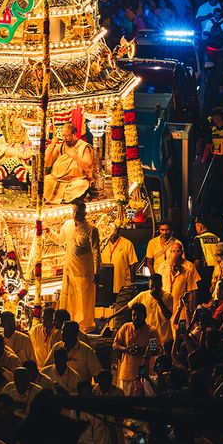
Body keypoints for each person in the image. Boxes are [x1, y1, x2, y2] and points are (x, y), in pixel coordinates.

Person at [58, 201, 100, 331]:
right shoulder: (67, 225)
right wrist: (48, 232)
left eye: (78, 212)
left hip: (84, 273)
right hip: (69, 271)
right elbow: (59, 240)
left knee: (83, 302)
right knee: (69, 299)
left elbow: (96, 252)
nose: (75, 214)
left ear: (85, 213)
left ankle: (83, 328)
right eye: (74, 211)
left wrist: (97, 272)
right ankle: (67, 325)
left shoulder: (91, 230)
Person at [112, 303, 160, 395]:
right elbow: (115, 344)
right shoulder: (126, 327)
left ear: (145, 316)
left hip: (145, 376)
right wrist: (126, 349)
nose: (136, 318)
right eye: (134, 315)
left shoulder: (152, 331)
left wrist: (141, 351)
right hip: (127, 374)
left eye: (139, 315)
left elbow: (155, 350)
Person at [43, 124, 94, 204]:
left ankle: (62, 197)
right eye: (63, 136)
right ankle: (64, 197)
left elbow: (88, 167)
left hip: (74, 181)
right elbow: (47, 163)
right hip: (57, 179)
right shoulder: (60, 146)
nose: (64, 139)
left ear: (74, 134)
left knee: (82, 185)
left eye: (67, 136)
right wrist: (52, 145)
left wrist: (75, 156)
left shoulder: (83, 147)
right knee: (45, 180)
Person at [97, 224, 138, 317]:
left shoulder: (127, 244)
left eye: (113, 230)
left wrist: (132, 283)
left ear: (118, 231)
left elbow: (133, 264)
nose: (111, 233)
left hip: (121, 285)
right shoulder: (102, 243)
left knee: (120, 312)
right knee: (104, 311)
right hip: (105, 285)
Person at [127, 273, 173, 347]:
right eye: (151, 287)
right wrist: (111, 316)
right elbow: (128, 306)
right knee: (151, 352)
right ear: (149, 285)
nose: (153, 290)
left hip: (164, 338)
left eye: (156, 287)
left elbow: (168, 316)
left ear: (161, 285)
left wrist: (158, 299)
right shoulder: (143, 295)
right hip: (150, 337)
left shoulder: (168, 296)